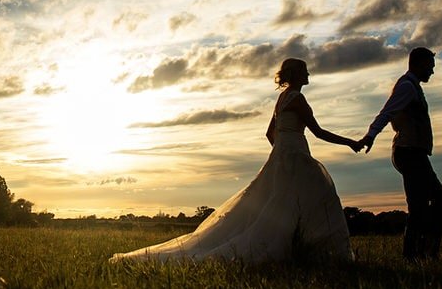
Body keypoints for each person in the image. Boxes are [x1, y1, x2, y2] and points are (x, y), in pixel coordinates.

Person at [112, 58, 362, 263]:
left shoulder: (281, 98)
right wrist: (351, 142)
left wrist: (280, 152)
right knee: (317, 196)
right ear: (296, 75)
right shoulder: (296, 98)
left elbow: (269, 133)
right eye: (305, 70)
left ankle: (301, 251)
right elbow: (318, 132)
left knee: (280, 205)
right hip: (295, 154)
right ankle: (319, 255)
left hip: (282, 155)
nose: (309, 74)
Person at [358, 47, 442, 260]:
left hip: (412, 152)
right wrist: (370, 135)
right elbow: (387, 112)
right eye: (430, 67)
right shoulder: (407, 87)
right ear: (418, 64)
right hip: (409, 152)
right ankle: (420, 254)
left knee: (422, 205)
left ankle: (418, 253)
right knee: (436, 202)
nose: (432, 72)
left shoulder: (411, 85)